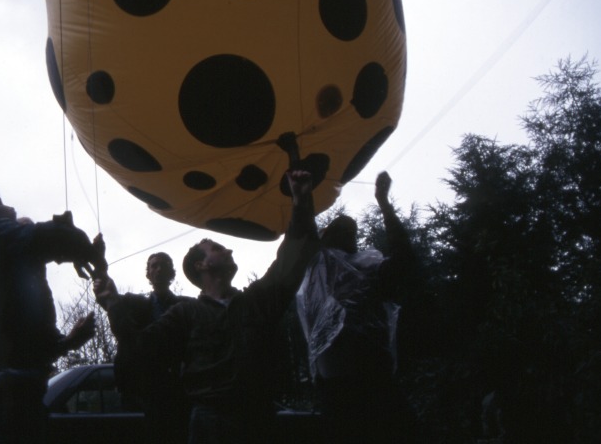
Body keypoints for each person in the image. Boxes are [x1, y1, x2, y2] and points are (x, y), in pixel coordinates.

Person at [97, 170, 318, 444]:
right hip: (209, 427)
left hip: (260, 423)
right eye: (217, 247)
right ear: (201, 265)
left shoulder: (256, 302)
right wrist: (113, 304)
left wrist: (301, 200)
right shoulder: (184, 314)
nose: (229, 251)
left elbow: (294, 257)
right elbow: (141, 349)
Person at [0, 184, 102, 444]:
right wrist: (91, 253)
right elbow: (59, 237)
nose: (10, 207)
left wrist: (68, 342)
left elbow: (5, 341)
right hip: (10, 409)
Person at [296, 171, 420, 443]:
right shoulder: (320, 271)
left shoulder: (364, 271)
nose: (349, 234)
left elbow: (403, 260)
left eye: (351, 232)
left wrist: (384, 202)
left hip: (359, 383)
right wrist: (383, 203)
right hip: (354, 384)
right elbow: (404, 257)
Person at [92, 252, 191, 444]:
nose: (159, 269)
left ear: (172, 274)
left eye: (164, 265)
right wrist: (99, 273)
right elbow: (112, 303)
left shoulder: (185, 305)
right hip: (139, 391)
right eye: (154, 266)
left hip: (177, 391)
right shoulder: (132, 303)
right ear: (148, 274)